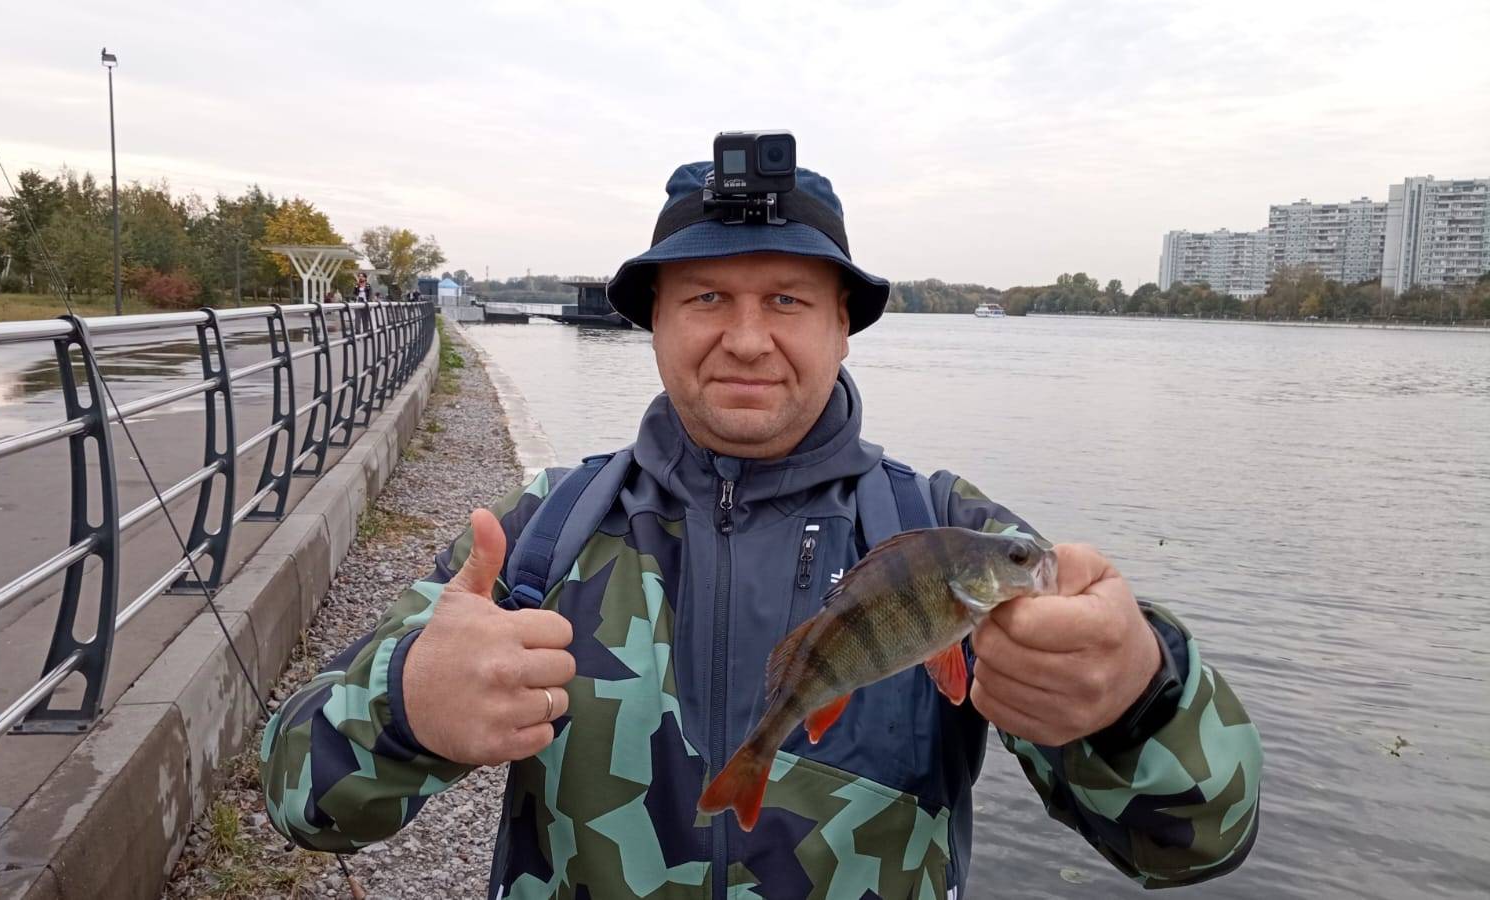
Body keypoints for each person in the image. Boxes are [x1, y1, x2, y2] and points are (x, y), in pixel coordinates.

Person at [262, 158, 1262, 898]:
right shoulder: (538, 539)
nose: (746, 337)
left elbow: (1195, 843)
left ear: (841, 326)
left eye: (786, 298)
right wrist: (405, 705)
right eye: (705, 298)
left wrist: (1138, 693)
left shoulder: (950, 535)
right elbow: (295, 793)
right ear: (654, 323)